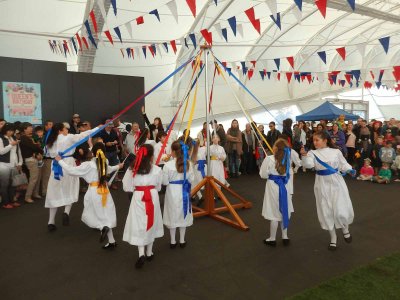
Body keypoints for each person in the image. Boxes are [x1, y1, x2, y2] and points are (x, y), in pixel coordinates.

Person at [55, 142, 123, 248]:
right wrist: (118, 166)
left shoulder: (88, 165)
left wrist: (60, 161)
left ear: (93, 152)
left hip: (94, 191)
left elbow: (71, 170)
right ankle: (111, 241)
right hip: (105, 191)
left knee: (94, 214)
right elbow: (109, 168)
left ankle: (102, 228)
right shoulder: (104, 161)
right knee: (106, 214)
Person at [301, 131, 356, 251]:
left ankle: (345, 229)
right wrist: (304, 156)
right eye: (314, 140)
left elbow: (343, 164)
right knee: (326, 211)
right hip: (321, 184)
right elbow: (309, 165)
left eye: (317, 140)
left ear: (325, 140)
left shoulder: (336, 151)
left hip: (336, 182)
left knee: (340, 208)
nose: (314, 142)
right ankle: (333, 238)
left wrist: (350, 170)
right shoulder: (312, 153)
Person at [45, 122, 99, 231]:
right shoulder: (68, 138)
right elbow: (83, 135)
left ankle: (51, 221)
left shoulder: (50, 141)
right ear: (60, 130)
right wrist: (98, 128)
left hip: (56, 165)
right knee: (70, 188)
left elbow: (47, 154)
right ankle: (66, 212)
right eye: (65, 129)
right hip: (68, 163)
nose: (67, 130)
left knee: (54, 191)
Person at [122, 144, 164, 268]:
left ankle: (141, 254)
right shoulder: (157, 169)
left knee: (139, 223)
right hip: (152, 196)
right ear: (151, 156)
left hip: (138, 196)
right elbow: (159, 186)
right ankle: (149, 252)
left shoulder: (132, 169)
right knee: (151, 221)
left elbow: (126, 186)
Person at [260, 138, 294, 247]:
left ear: (275, 148)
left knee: (274, 211)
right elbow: (290, 175)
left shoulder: (269, 159)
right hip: (285, 186)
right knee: (284, 209)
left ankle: (272, 238)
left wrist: (269, 172)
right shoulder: (288, 159)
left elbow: (263, 175)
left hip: (272, 186)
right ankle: (285, 236)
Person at [162, 140, 194, 249]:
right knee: (183, 213)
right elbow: (192, 179)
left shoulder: (167, 165)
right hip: (184, 190)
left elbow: (165, 182)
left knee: (172, 214)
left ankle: (172, 241)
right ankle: (182, 240)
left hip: (172, 192)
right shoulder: (189, 163)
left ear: (173, 151)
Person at [19, 122, 44, 203]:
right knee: (33, 178)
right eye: (29, 127)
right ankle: (27, 197)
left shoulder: (31, 137)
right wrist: (39, 149)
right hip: (30, 159)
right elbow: (34, 147)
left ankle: (35, 193)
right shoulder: (23, 138)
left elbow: (37, 146)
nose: (31, 128)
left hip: (36, 158)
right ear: (24, 129)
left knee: (38, 177)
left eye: (31, 127)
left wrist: (38, 149)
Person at [0, 123, 23, 209]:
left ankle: (12, 201)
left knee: (13, 184)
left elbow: (18, 152)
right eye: (9, 130)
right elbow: (1, 152)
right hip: (3, 165)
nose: (11, 132)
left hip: (14, 165)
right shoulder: (1, 138)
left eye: (12, 131)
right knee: (4, 185)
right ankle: (6, 203)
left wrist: (19, 163)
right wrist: (11, 145)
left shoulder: (13, 138)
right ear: (5, 130)